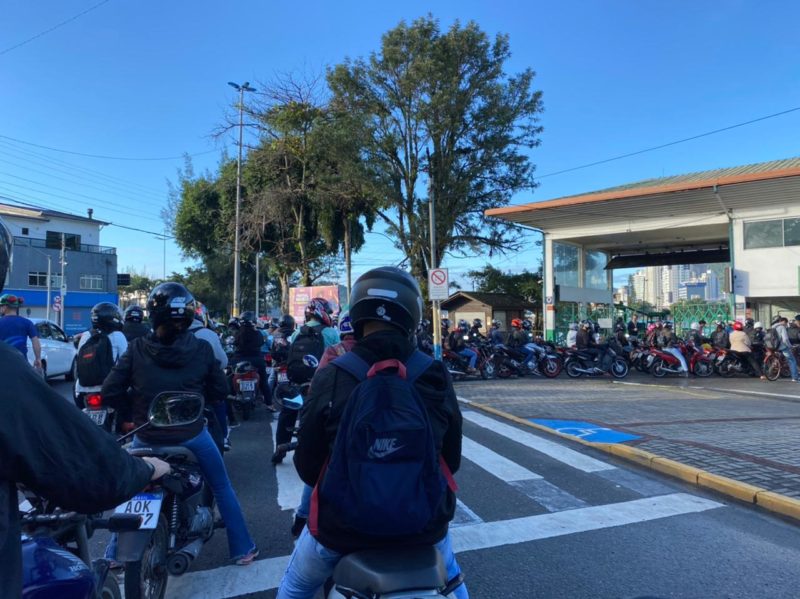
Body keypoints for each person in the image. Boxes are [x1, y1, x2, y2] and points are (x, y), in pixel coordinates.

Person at [0, 219, 170, 595]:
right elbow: (81, 465)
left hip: (86, 396)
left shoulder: (86, 340)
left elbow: (105, 383)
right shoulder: (127, 342)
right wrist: (141, 468)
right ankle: (242, 544)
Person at [278, 266, 466, 599]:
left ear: (359, 313)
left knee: (297, 586)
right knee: (453, 583)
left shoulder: (334, 373)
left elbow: (307, 467)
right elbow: (451, 459)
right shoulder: (433, 373)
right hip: (423, 525)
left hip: (342, 529)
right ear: (411, 315)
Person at [102, 282, 259, 565]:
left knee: (135, 488)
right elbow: (220, 391)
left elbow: (111, 390)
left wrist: (129, 417)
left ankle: (113, 555)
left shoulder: (136, 348)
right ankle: (243, 549)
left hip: (146, 435)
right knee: (222, 487)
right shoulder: (201, 348)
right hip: (192, 435)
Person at [272, 299, 339, 464]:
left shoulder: (297, 333)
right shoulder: (330, 333)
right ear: (321, 312)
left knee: (287, 413)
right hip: (320, 384)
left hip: (297, 381)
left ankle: (280, 448)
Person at [189, 304, 231, 449]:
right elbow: (223, 361)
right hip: (205, 387)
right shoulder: (207, 334)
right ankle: (223, 437)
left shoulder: (162, 335)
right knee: (219, 402)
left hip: (174, 390)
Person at [74, 302, 128, 411]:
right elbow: (126, 361)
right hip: (110, 388)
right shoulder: (118, 336)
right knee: (126, 413)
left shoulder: (85, 335)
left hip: (82, 389)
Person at [232, 311, 269, 401]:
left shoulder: (237, 334)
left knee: (229, 376)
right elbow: (261, 343)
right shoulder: (258, 334)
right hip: (256, 360)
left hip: (238, 360)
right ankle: (270, 403)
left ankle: (229, 400)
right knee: (264, 382)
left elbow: (234, 344)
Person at [0, 294, 41, 370]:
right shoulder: (27, 323)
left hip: (2, 363)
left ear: (5, 307)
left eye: (0, 306)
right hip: (21, 363)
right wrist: (38, 358)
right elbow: (35, 341)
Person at [773, 317, 799, 382]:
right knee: (792, 360)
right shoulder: (782, 327)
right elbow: (785, 339)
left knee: (779, 358)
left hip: (774, 347)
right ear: (784, 321)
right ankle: (795, 377)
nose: (786, 324)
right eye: (786, 323)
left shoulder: (773, 327)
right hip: (782, 347)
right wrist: (790, 346)